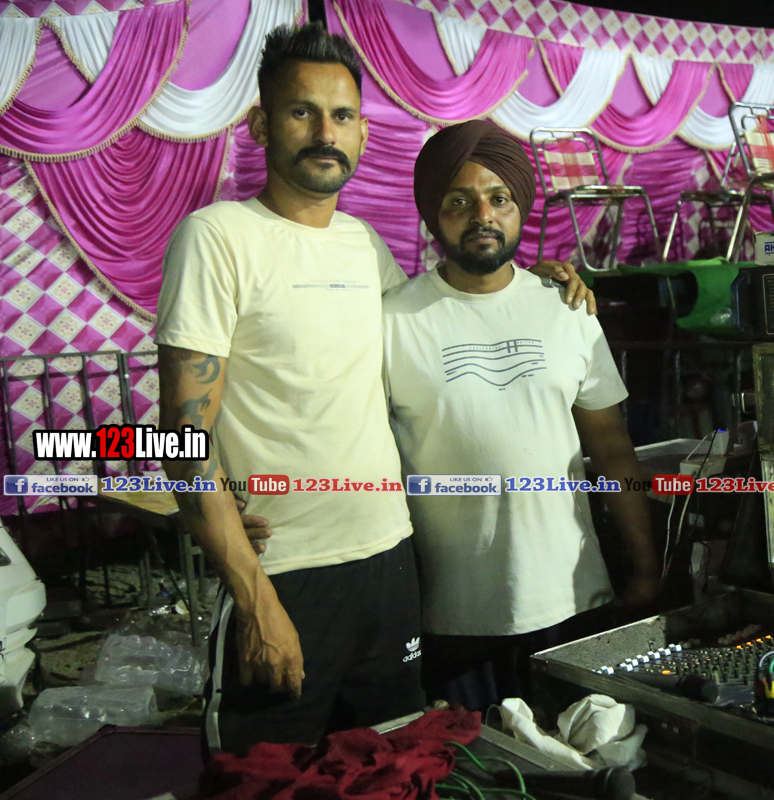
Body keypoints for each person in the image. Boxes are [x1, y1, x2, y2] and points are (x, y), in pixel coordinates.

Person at [156, 24, 593, 756]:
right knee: (266, 780)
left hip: (390, 564)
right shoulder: (216, 237)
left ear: (362, 132)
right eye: (302, 112)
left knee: (391, 771)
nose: (325, 133)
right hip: (285, 572)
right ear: (261, 124)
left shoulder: (365, 248)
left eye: (343, 115)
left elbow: (448, 309)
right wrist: (254, 597)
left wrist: (533, 280)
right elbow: (180, 433)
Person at [381, 121, 661, 710]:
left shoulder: (567, 308)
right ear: (434, 215)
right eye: (460, 201)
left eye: (499, 198)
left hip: (572, 599)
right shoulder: (392, 322)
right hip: (451, 615)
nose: (482, 215)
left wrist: (645, 568)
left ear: (520, 209)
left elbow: (612, 448)